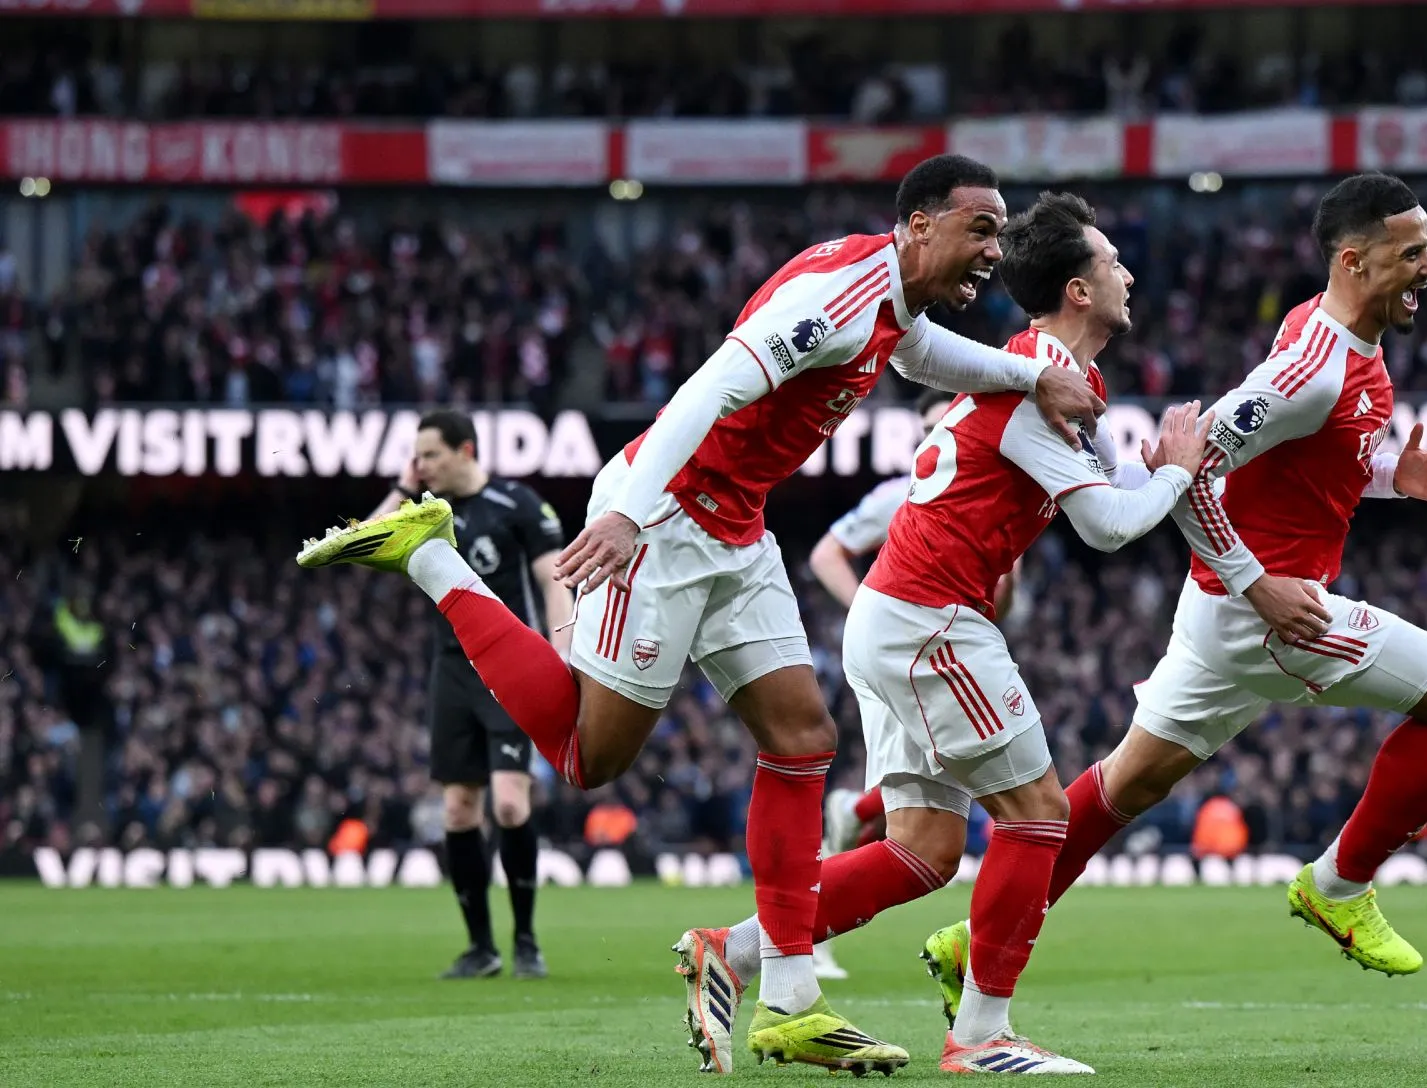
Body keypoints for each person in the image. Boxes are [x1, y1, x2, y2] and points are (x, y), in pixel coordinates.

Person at [295, 154, 1104, 1077]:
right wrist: (629, 510)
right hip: (670, 516)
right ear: (920, 225)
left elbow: (917, 353)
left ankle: (790, 1000)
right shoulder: (840, 294)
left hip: (738, 524)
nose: (994, 251)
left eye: (1001, 232)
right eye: (981, 228)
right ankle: (431, 556)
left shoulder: (888, 300)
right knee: (586, 757)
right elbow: (714, 386)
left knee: (802, 735)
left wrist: (1022, 376)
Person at [918, 173, 1427, 1004]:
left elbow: (1315, 459)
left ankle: (978, 935)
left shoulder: (1338, 337)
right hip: (1268, 611)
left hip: (1220, 608)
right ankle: (1337, 887)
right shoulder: (1307, 367)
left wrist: (1386, 474)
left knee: (1129, 783)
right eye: (1413, 253)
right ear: (1355, 262)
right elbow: (1186, 466)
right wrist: (1256, 583)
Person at [675, 191, 1209, 1075]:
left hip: (906, 616)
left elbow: (1107, 489)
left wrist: (1151, 474)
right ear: (1078, 290)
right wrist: (1177, 475)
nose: (1127, 273)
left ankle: (727, 952)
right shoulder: (1033, 381)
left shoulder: (1048, 374)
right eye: (1112, 261)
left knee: (921, 852)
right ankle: (982, 1036)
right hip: (931, 619)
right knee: (1038, 817)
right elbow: (1110, 528)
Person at [811, 389, 1025, 983]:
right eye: (931, 425)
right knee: (1025, 803)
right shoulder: (907, 489)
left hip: (958, 642)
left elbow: (999, 600)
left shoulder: (993, 486)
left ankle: (770, 936)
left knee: (927, 842)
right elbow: (827, 553)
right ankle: (986, 995)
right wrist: (875, 614)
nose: (940, 434)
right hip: (914, 648)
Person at [368, 410, 570, 981]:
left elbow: (553, 581)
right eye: (417, 458)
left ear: (465, 450)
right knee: (458, 809)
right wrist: (404, 488)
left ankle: (527, 939)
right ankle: (480, 948)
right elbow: (360, 545)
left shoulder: (518, 504)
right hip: (451, 672)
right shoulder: (424, 513)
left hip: (508, 669)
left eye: (430, 456)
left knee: (509, 803)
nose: (422, 465)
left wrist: (563, 657)